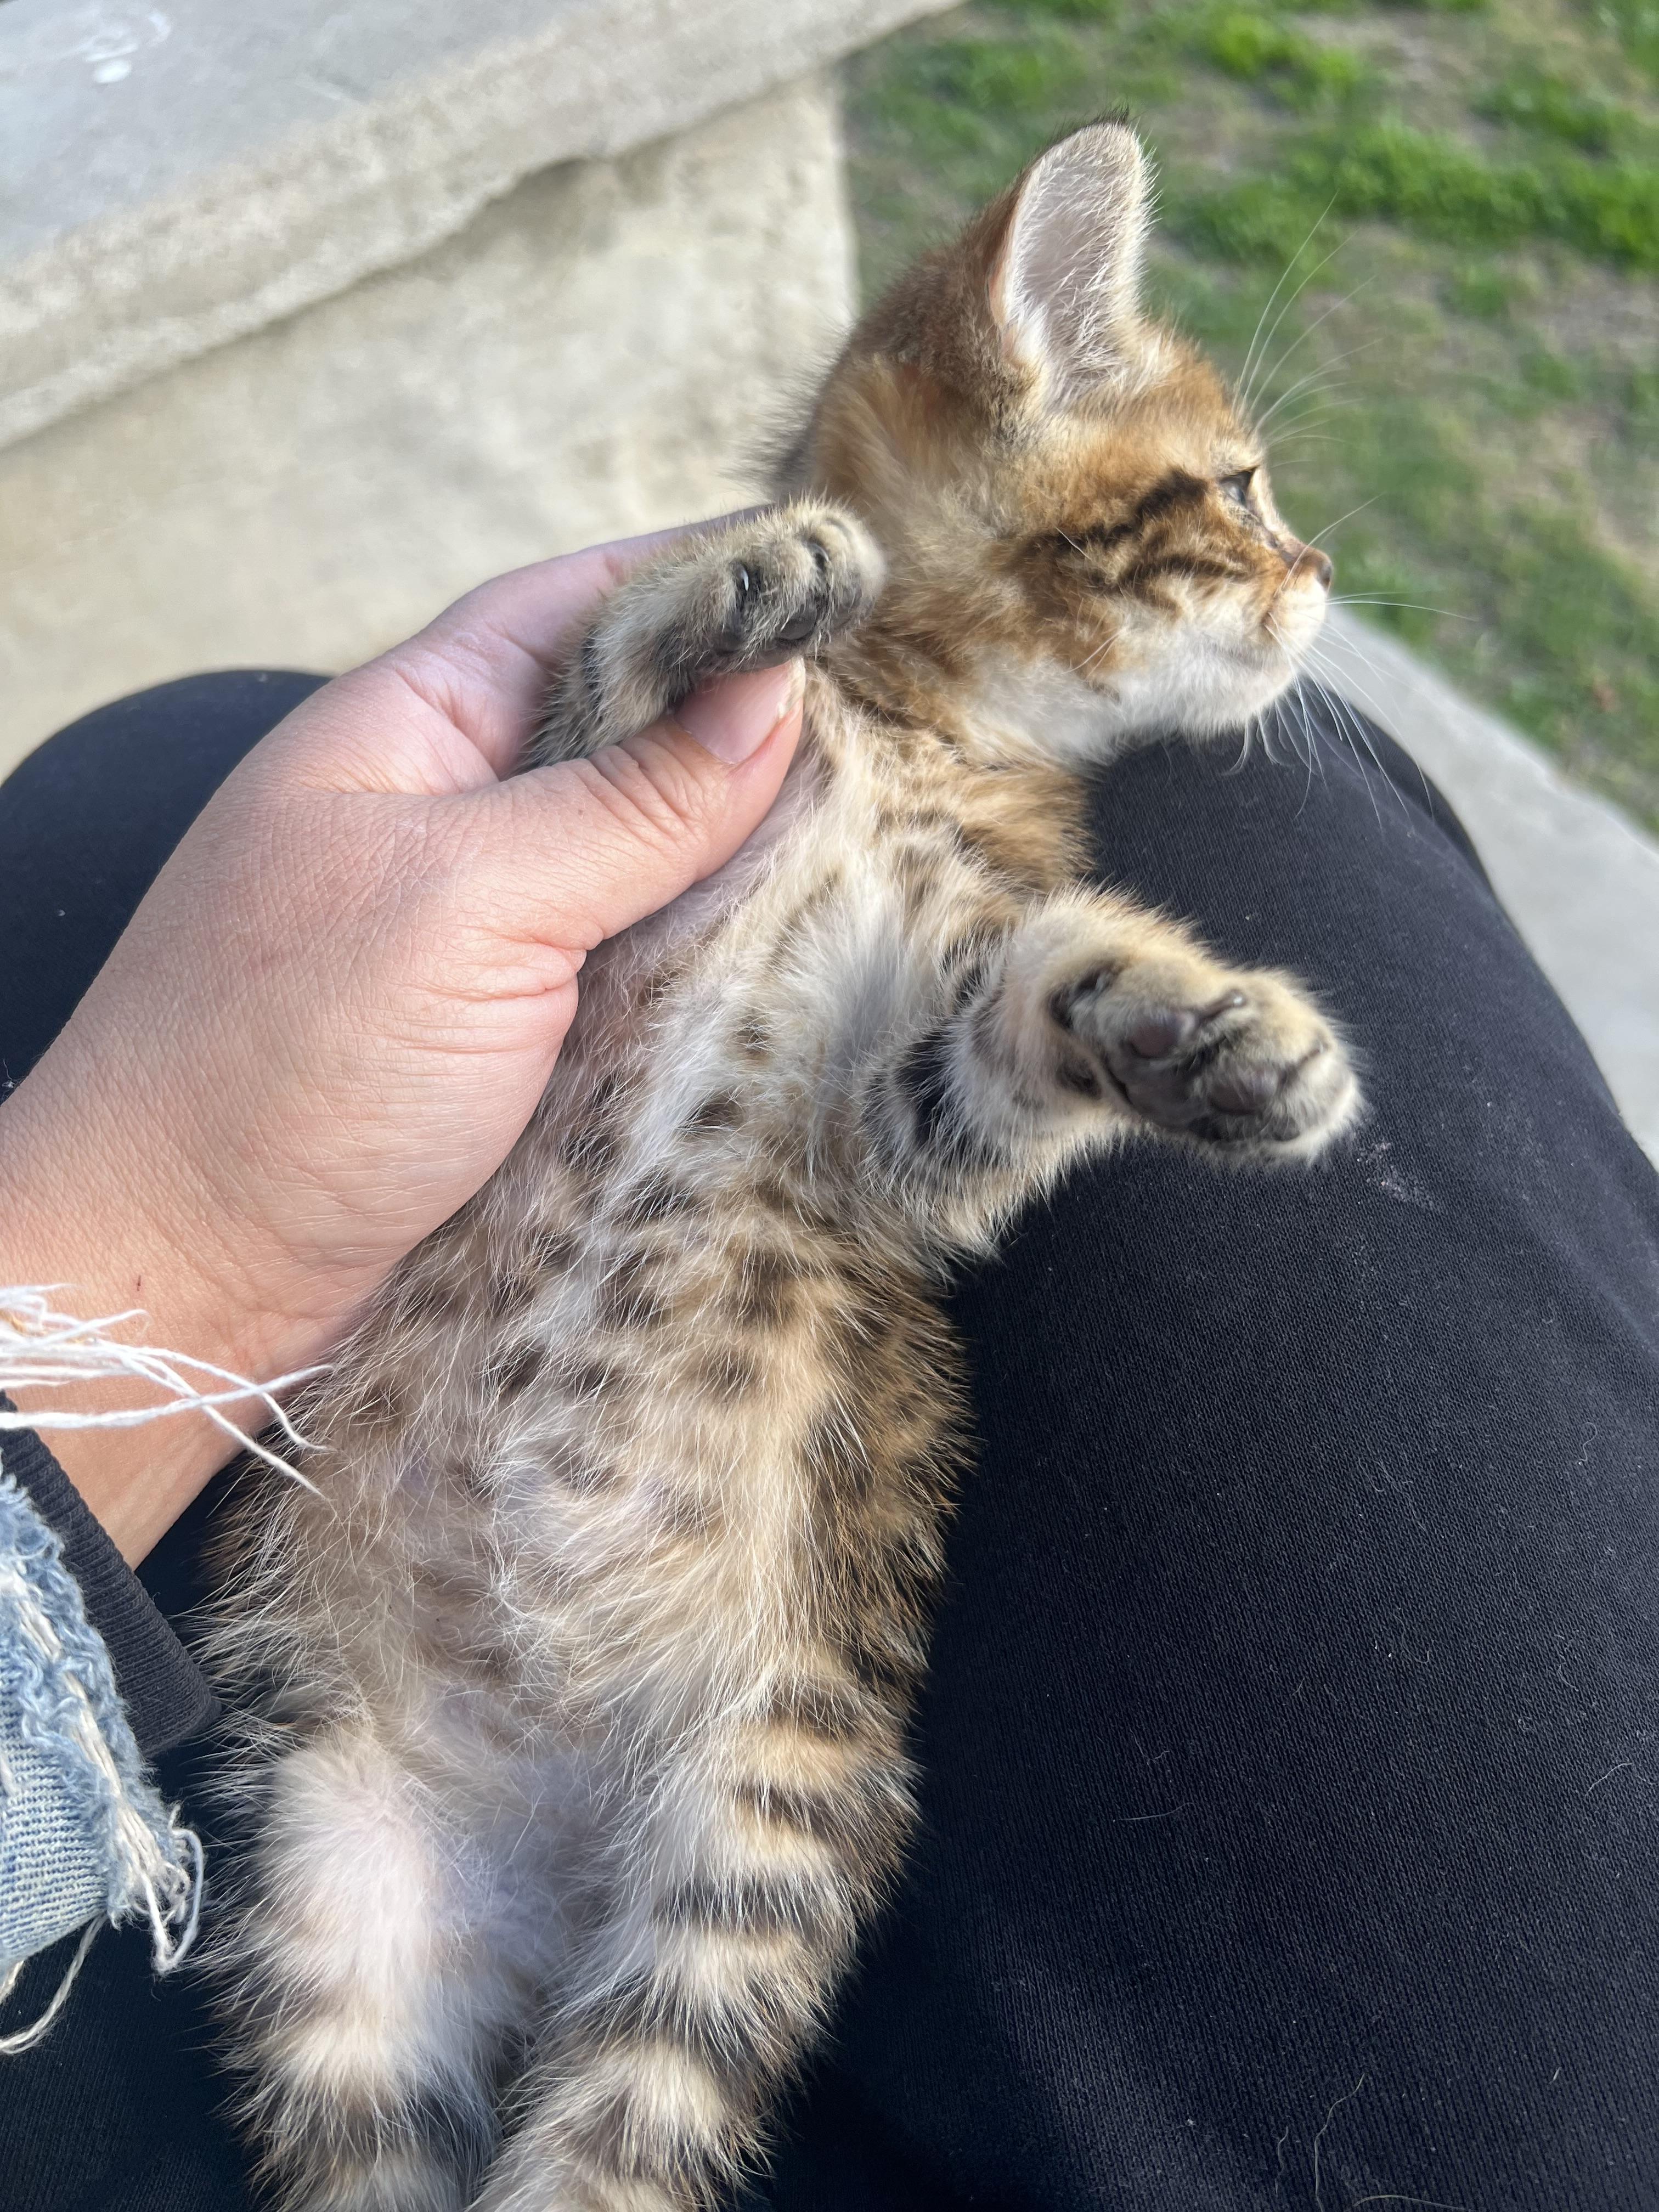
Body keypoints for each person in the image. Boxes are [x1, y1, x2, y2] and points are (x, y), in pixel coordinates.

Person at [0, 526, 1655, 2211]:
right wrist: (667, 652)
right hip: (425, 1689)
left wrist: (1073, 1024)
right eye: (1230, 490)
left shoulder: (1004, 827)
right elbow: (614, 745)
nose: (1292, 556)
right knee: (379, 2054)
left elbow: (911, 1150)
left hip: (666, 1648)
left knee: (615, 2085)